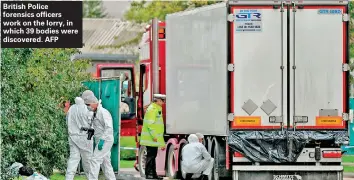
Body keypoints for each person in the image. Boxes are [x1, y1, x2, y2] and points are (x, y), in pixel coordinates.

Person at [82, 92, 116, 180]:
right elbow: (96, 127)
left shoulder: (103, 113)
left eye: (88, 104)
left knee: (95, 160)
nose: (87, 107)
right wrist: (88, 129)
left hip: (105, 140)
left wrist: (102, 141)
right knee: (106, 164)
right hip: (101, 140)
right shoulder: (95, 113)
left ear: (93, 102)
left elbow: (109, 128)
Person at [65, 95, 93, 180]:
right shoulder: (87, 109)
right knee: (88, 162)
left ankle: (68, 178)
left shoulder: (72, 108)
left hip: (73, 137)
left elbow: (67, 121)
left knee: (73, 161)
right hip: (85, 138)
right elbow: (91, 123)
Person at [140, 94, 166, 179]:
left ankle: (153, 174)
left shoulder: (155, 108)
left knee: (152, 156)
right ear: (157, 100)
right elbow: (150, 124)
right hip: (151, 138)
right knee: (151, 156)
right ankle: (149, 174)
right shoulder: (153, 109)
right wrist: (154, 136)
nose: (163, 102)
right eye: (162, 100)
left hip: (152, 138)